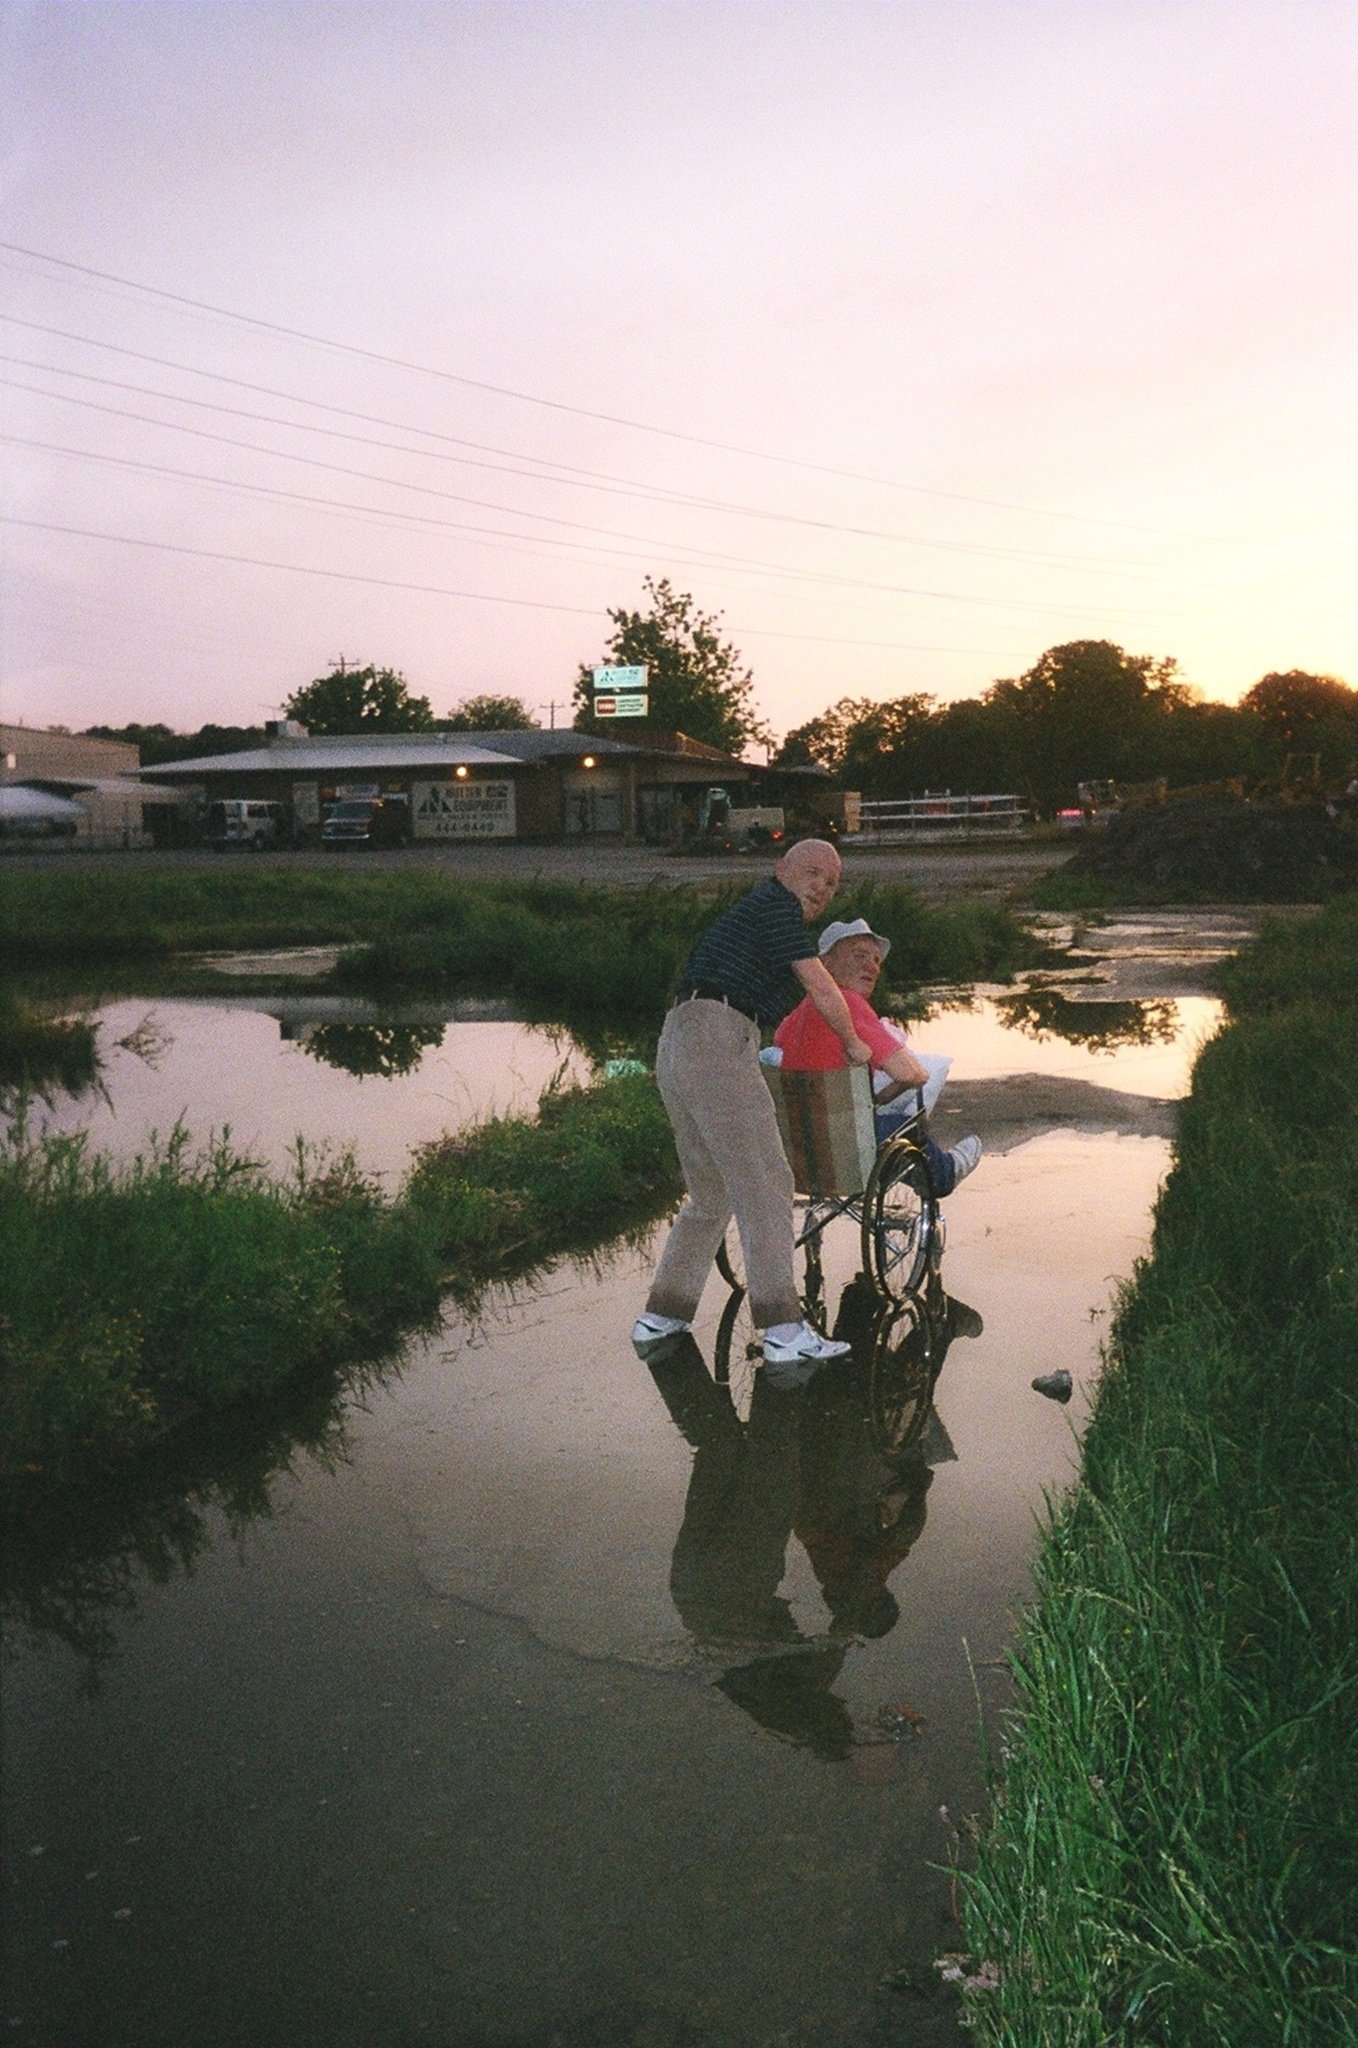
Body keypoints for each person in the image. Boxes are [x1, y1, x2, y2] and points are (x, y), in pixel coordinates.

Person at [633, 839, 871, 1364]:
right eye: (811, 873)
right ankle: (784, 1330)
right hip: (715, 1037)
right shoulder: (776, 907)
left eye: (831, 883)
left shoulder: (760, 916)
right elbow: (822, 990)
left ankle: (663, 1314)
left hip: (678, 1038)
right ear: (780, 870)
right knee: (767, 1183)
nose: (820, 887)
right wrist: (855, 1043)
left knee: (711, 1192)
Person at [774, 918, 982, 1197]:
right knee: (901, 1121)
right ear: (824, 964)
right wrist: (885, 1096)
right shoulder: (849, 1004)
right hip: (848, 1154)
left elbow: (779, 1047)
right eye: (859, 955)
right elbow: (912, 1074)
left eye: (875, 961)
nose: (871, 966)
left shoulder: (796, 1016)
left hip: (800, 1153)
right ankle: (944, 1172)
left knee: (870, 1122)